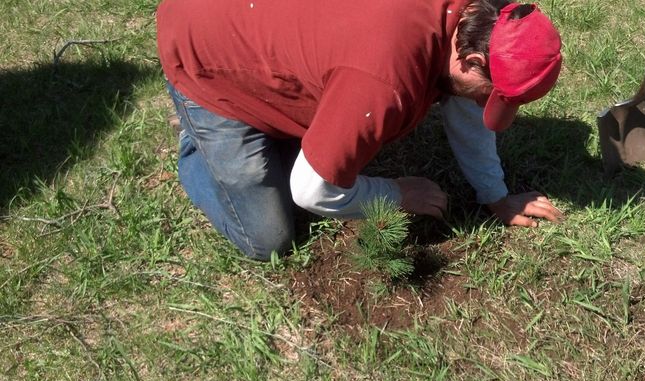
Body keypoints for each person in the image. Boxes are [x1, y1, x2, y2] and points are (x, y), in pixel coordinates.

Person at [156, 0, 564, 261]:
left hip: (262, 23)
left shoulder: (476, 17)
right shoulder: (386, 80)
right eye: (489, 96)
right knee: (268, 239)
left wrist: (496, 196)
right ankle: (198, 139)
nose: (483, 105)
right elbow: (312, 189)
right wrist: (397, 193)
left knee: (325, 122)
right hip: (202, 47)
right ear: (472, 60)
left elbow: (466, 106)